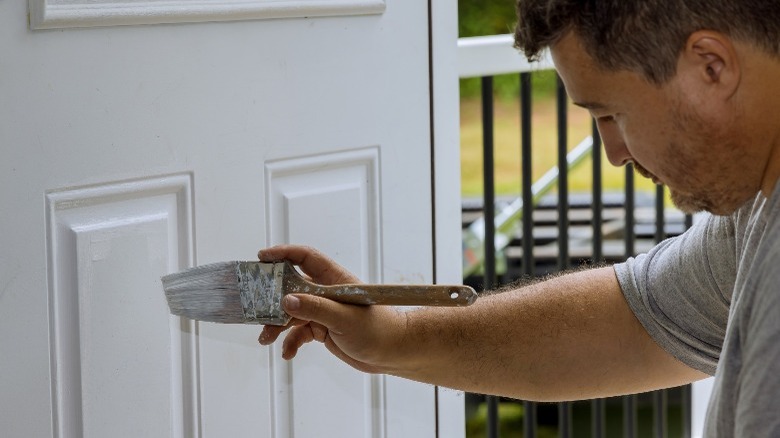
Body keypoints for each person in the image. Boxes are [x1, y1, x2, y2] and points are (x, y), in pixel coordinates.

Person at [258, 1, 780, 435]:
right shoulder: (755, 211)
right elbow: (634, 320)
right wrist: (394, 336)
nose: (615, 153)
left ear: (712, 66)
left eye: (611, 114)